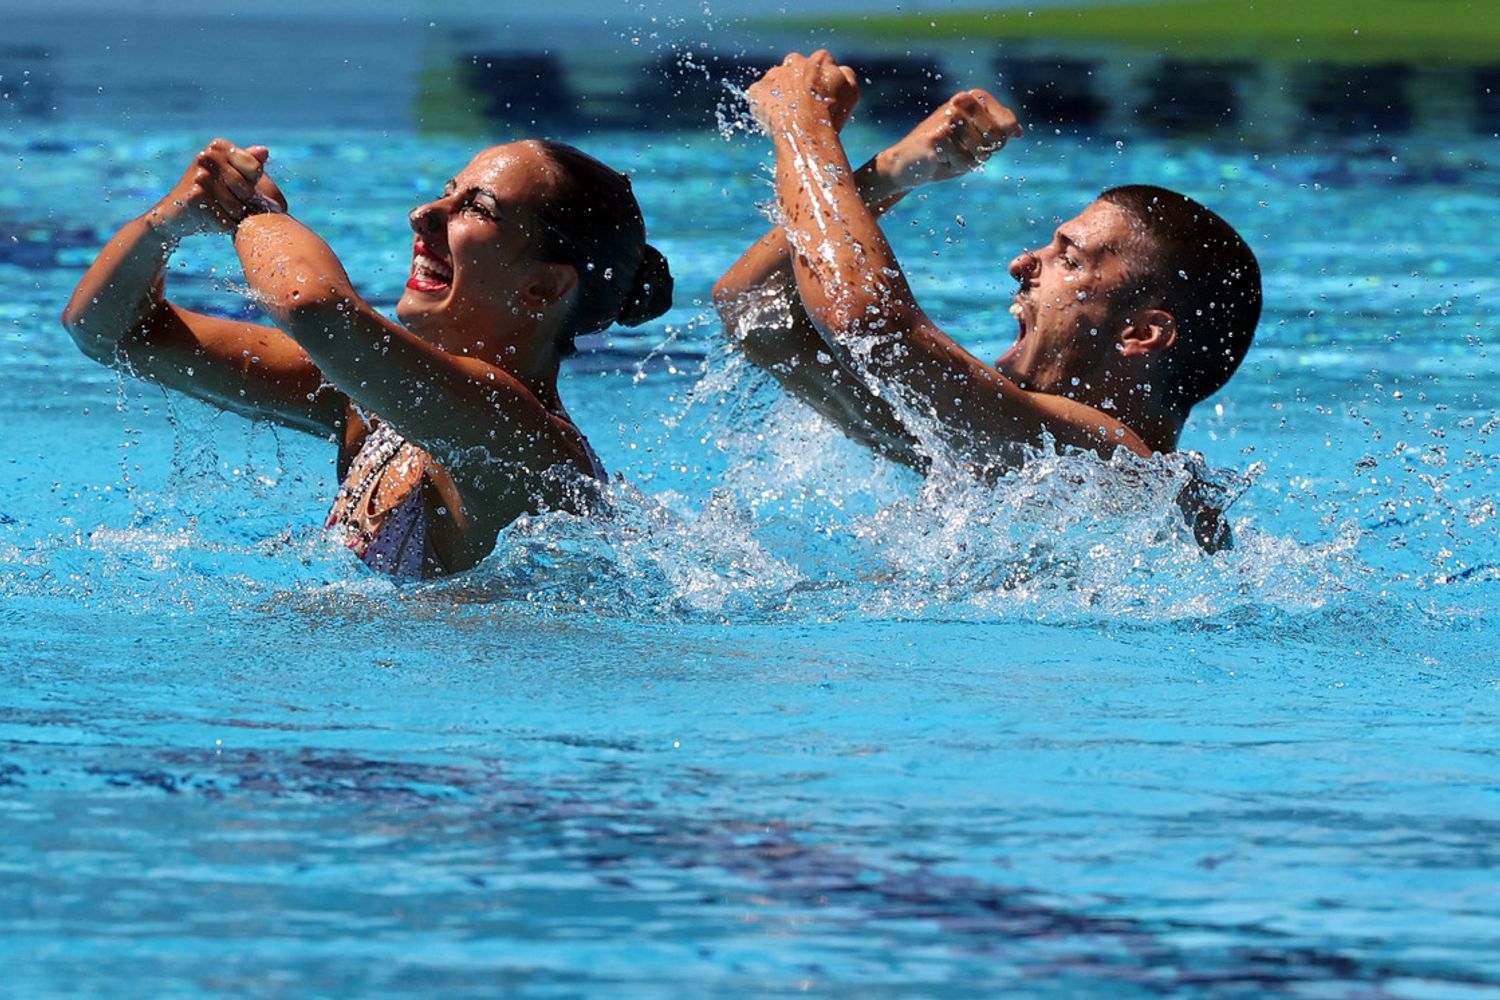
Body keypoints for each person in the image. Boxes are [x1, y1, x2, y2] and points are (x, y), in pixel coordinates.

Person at [714, 51, 1261, 551]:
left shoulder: (1117, 464)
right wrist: (890, 174)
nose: (1021, 264)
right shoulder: (1007, 456)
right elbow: (755, 311)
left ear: (1140, 334)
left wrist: (802, 125)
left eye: (1069, 260)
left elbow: (865, 322)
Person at [63, 138, 672, 577]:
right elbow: (111, 332)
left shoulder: (518, 432)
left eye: (476, 209)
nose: (423, 215)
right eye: (445, 194)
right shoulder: (375, 407)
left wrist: (250, 213)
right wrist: (167, 222)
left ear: (544, 288)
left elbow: (313, 306)